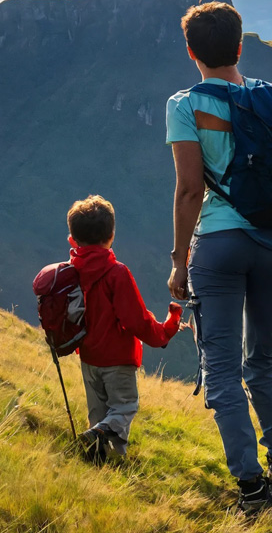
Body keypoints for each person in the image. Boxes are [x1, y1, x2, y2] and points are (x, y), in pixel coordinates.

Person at [166, 1, 272, 514]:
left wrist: (180, 262)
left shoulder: (185, 104)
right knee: (262, 360)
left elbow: (188, 190)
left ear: (191, 52)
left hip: (220, 246)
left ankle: (250, 482)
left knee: (220, 369)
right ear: (241, 46)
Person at [66, 195, 184, 461]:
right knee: (124, 407)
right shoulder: (116, 273)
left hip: (88, 357)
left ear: (73, 239)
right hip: (118, 359)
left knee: (97, 413)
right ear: (111, 236)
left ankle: (103, 462)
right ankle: (105, 435)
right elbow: (136, 321)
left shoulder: (70, 272)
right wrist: (168, 327)